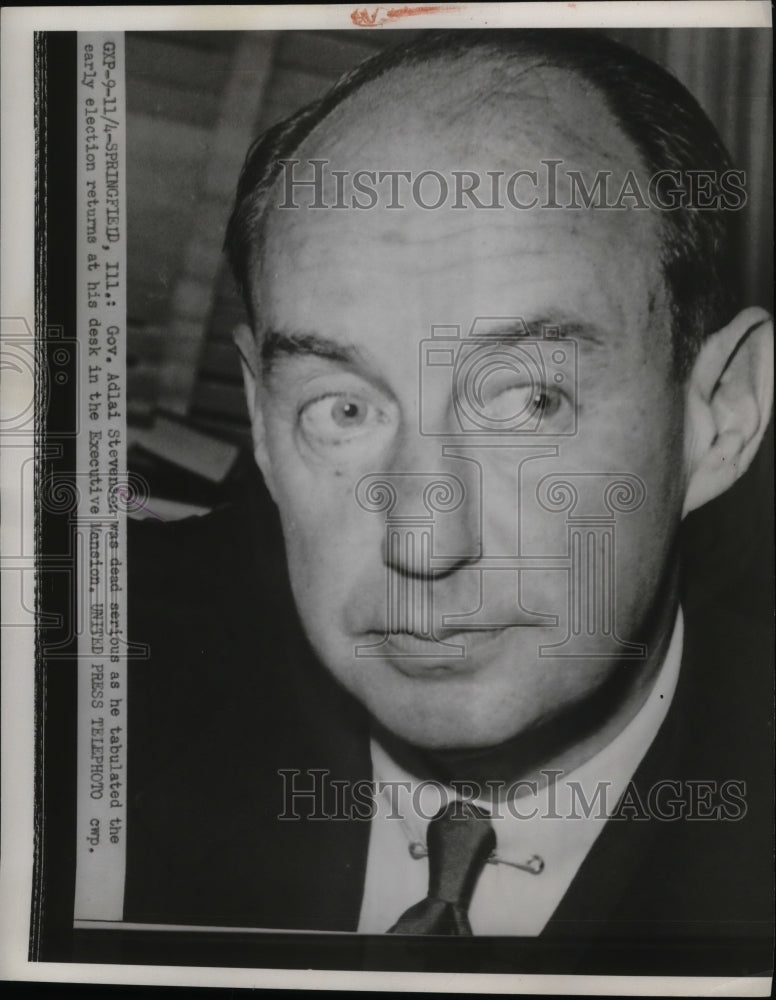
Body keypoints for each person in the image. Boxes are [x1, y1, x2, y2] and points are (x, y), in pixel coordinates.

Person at [124, 29, 773, 963]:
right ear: (263, 428)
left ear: (721, 416)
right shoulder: (77, 712)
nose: (426, 542)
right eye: (342, 410)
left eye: (530, 400)